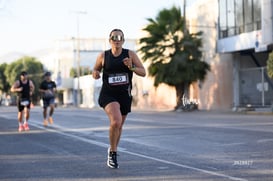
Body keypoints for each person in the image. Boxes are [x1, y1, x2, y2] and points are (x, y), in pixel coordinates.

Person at [92, 29, 146, 169]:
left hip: (124, 95)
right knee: (115, 121)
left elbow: (143, 72)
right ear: (110, 40)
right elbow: (95, 70)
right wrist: (96, 73)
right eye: (114, 37)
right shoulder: (103, 55)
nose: (117, 39)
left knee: (119, 125)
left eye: (120, 37)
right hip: (108, 94)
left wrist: (131, 66)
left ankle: (112, 148)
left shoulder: (130, 54)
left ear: (123, 40)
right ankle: (113, 154)